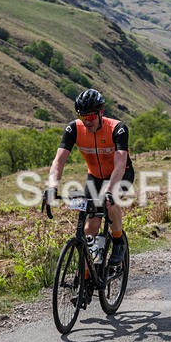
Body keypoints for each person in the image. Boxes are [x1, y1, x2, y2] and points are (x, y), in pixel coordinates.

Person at [44, 88, 134, 266]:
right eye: (84, 117)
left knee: (109, 202)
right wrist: (51, 187)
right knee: (88, 229)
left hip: (121, 174)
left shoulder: (117, 129)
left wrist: (109, 192)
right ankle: (86, 279)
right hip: (95, 177)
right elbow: (58, 162)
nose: (87, 122)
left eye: (91, 117)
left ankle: (118, 241)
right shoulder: (74, 129)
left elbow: (120, 164)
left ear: (101, 113)